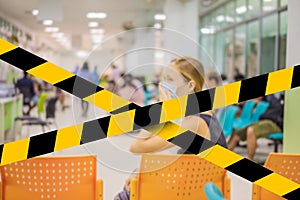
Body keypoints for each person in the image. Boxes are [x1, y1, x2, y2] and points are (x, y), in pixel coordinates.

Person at [129, 56, 227, 154]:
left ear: (190, 85)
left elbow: (136, 147)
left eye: (170, 79)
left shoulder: (195, 123)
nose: (163, 85)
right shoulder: (201, 114)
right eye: (164, 79)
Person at [227, 94, 284, 160]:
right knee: (236, 133)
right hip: (263, 121)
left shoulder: (284, 96)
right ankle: (222, 159)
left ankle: (250, 159)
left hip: (275, 123)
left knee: (251, 130)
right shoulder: (271, 96)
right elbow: (260, 99)